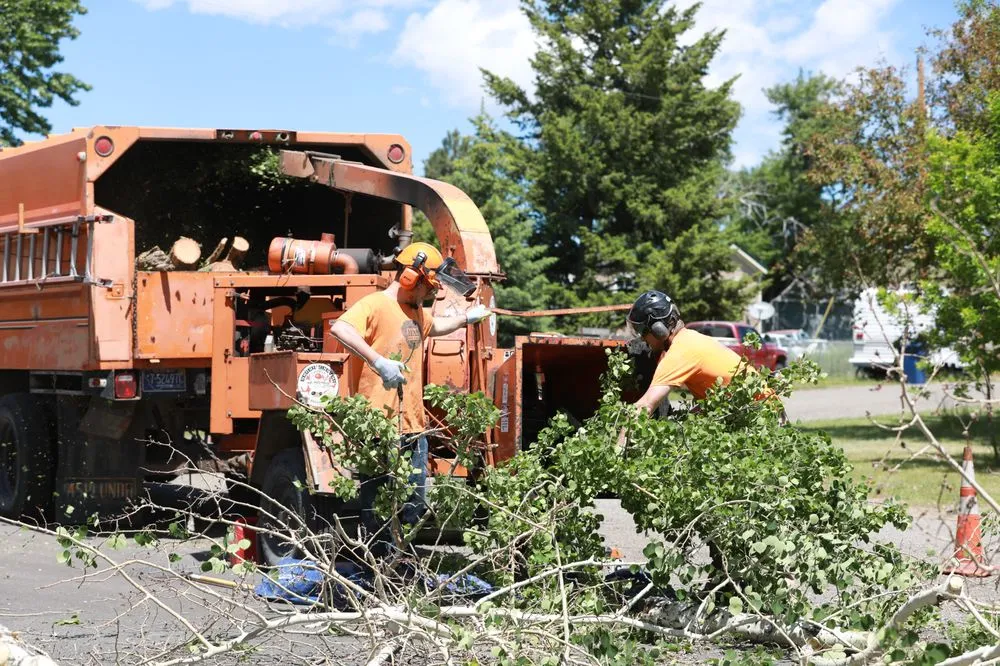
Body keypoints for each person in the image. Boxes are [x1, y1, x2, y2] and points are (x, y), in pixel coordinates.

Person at [329, 241, 490, 551]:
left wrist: (467, 318)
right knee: (377, 510)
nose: (430, 295)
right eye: (428, 287)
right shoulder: (375, 304)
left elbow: (436, 326)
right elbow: (341, 329)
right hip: (377, 427)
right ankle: (376, 574)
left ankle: (401, 566)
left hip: (413, 426)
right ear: (409, 278)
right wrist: (378, 361)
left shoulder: (414, 311)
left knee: (412, 507)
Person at [624, 290, 746, 415]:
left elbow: (644, 406)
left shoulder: (680, 352)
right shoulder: (691, 339)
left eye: (642, 330)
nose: (642, 338)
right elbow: (716, 403)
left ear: (658, 329)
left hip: (758, 417)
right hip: (750, 413)